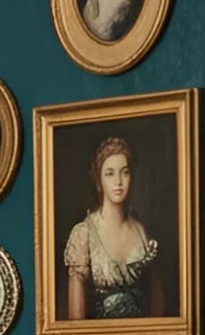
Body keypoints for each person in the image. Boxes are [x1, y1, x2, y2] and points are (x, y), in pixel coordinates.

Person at [63, 134, 165, 320]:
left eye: (124, 172)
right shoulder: (84, 233)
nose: (118, 182)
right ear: (99, 179)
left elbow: (156, 296)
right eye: (110, 173)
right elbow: (76, 319)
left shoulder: (140, 231)